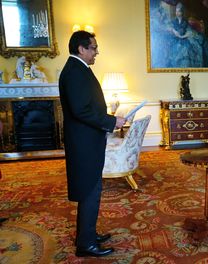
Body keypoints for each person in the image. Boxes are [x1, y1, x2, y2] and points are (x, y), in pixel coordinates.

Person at [58, 30, 126, 257]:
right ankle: (85, 245)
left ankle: (87, 234)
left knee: (92, 190)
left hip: (86, 141)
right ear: (82, 48)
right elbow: (81, 110)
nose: (97, 52)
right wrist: (111, 121)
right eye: (94, 48)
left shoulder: (78, 69)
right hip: (83, 143)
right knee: (90, 191)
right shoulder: (75, 72)